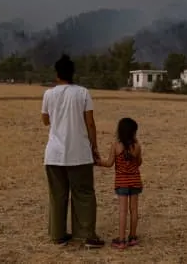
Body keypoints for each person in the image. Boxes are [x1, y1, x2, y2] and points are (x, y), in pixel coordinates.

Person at [40, 54, 105, 248]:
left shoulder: (48, 94)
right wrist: (94, 148)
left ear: (57, 74)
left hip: (54, 155)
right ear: (72, 73)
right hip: (80, 154)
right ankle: (86, 235)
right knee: (84, 194)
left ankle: (58, 235)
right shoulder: (83, 93)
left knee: (58, 195)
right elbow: (90, 123)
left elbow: (45, 120)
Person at [96, 117, 143, 250]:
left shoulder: (116, 145)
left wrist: (98, 162)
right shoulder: (137, 145)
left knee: (122, 211)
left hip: (122, 182)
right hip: (135, 181)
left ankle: (121, 240)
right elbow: (139, 162)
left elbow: (109, 163)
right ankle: (133, 237)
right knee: (134, 210)